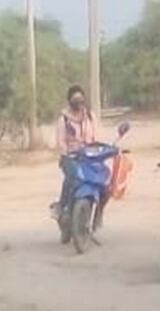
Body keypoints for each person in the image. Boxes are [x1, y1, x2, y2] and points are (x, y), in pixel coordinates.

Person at [54, 85, 97, 224]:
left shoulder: (90, 116)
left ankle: (97, 214)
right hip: (70, 157)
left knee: (102, 180)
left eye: (80, 98)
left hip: (89, 156)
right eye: (75, 99)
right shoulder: (64, 119)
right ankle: (62, 207)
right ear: (69, 101)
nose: (78, 102)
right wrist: (67, 155)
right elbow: (61, 142)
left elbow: (95, 138)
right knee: (72, 176)